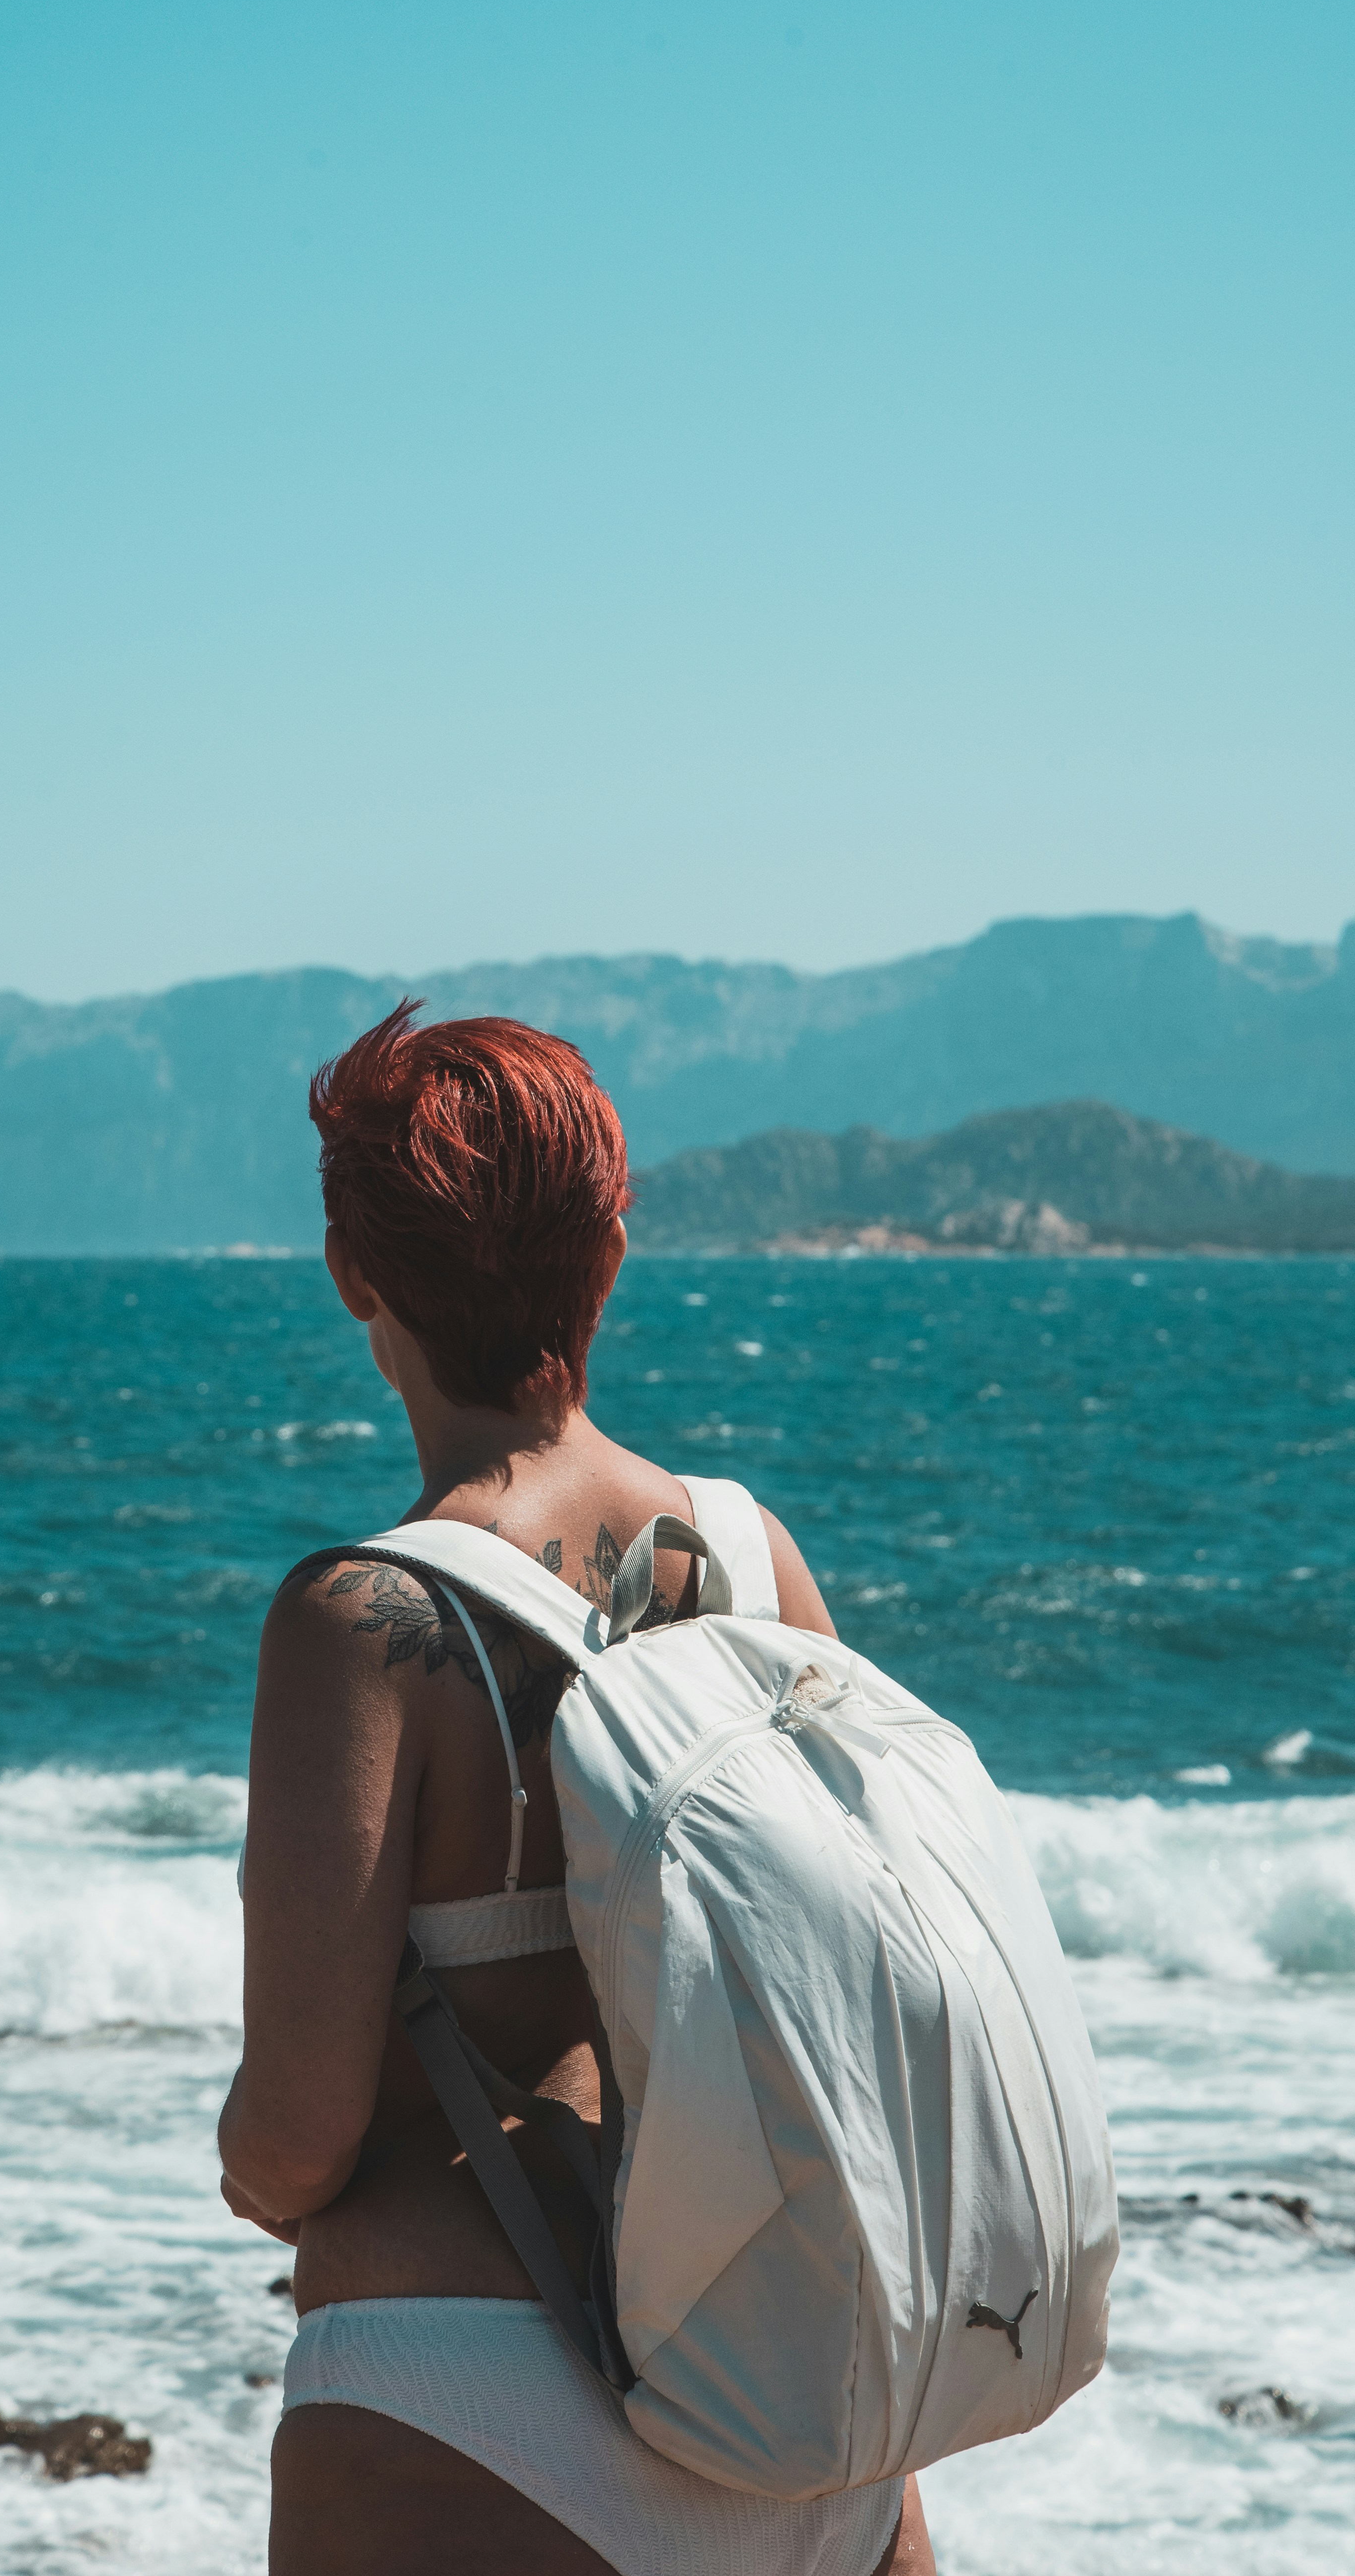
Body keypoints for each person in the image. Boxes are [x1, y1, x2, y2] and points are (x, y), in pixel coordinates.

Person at [219, 1003, 937, 2576]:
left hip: (477, 2413)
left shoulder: (366, 1625)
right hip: (815, 2406)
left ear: (356, 1276)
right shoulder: (757, 1559)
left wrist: (257, 2173)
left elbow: (298, 2132)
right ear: (612, 1252)